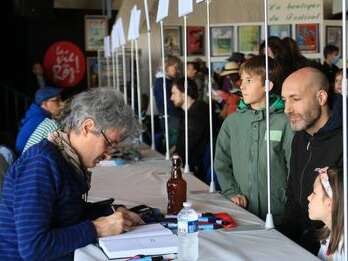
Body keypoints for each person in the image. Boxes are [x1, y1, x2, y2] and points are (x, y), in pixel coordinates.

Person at [0, 88, 143, 260]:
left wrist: (111, 212)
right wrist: (98, 228)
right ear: (87, 127)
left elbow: (67, 215)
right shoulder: (40, 164)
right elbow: (34, 248)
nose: (109, 154)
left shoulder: (65, 158)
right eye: (109, 143)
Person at [214, 55, 293, 224]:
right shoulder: (232, 122)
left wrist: (286, 200)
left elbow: (294, 167)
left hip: (280, 215)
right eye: (241, 80)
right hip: (242, 212)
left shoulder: (285, 121)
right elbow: (221, 162)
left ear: (268, 85)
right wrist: (231, 192)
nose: (241, 86)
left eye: (249, 81)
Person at [280, 67, 343, 254]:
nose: (287, 109)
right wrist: (283, 238)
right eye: (285, 100)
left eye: (295, 99)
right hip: (298, 243)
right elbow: (293, 193)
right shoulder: (300, 136)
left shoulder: (344, 139)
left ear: (321, 98)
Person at [170, 78, 209, 181]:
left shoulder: (195, 115)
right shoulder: (191, 112)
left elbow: (186, 147)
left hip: (195, 171)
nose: (171, 98)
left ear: (184, 92)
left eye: (174, 93)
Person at [307, 167, 344, 260]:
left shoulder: (344, 252)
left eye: (314, 193)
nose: (308, 197)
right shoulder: (327, 237)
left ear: (330, 203)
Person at [15, 86, 63, 154]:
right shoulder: (39, 118)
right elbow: (20, 146)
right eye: (57, 100)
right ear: (45, 104)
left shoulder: (36, 113)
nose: (61, 103)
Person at [154, 55, 182, 153]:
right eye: (175, 67)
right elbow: (168, 105)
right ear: (166, 66)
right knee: (173, 148)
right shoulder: (162, 82)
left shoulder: (165, 81)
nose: (177, 70)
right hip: (171, 119)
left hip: (171, 118)